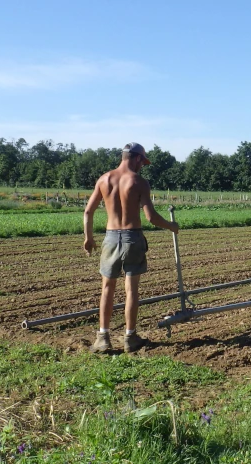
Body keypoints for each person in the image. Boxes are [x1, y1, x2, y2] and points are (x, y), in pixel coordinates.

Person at [82, 142, 179, 353]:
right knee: (131, 289)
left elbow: (88, 212)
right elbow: (151, 217)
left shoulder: (104, 179)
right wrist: (171, 226)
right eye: (142, 162)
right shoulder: (139, 182)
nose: (142, 166)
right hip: (132, 238)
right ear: (135, 158)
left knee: (107, 288)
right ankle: (130, 338)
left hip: (110, 238)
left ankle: (103, 338)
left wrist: (88, 238)